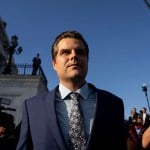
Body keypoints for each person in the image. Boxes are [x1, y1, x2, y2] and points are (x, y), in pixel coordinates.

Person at [16, 31, 126, 150]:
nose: (74, 56)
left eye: (80, 52)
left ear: (87, 60)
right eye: (65, 52)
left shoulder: (113, 104)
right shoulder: (32, 107)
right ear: (54, 63)